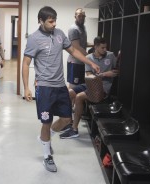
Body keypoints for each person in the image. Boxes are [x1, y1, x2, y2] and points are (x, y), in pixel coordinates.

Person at [22, 6, 100, 172]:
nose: (54, 24)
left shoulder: (59, 34)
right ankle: (47, 155)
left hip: (60, 85)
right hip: (44, 87)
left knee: (66, 119)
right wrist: (26, 88)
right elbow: (26, 63)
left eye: (55, 20)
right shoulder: (34, 39)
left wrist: (90, 62)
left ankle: (45, 138)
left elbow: (73, 50)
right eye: (50, 21)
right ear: (40, 21)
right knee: (46, 120)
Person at [60, 36, 119, 139]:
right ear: (95, 47)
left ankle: (74, 130)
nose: (105, 50)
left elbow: (117, 71)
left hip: (103, 89)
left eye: (106, 47)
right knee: (69, 93)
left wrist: (112, 73)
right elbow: (88, 76)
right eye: (102, 48)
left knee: (79, 97)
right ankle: (69, 123)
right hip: (89, 84)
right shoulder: (89, 58)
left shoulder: (111, 56)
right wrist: (104, 74)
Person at [67, 8, 92, 90]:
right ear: (75, 16)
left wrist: (96, 45)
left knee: (79, 86)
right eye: (79, 16)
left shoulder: (83, 27)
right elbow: (76, 46)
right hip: (75, 63)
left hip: (81, 62)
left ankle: (75, 103)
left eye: (83, 16)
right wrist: (89, 57)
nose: (81, 17)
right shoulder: (74, 29)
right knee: (73, 87)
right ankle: (69, 103)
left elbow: (83, 43)